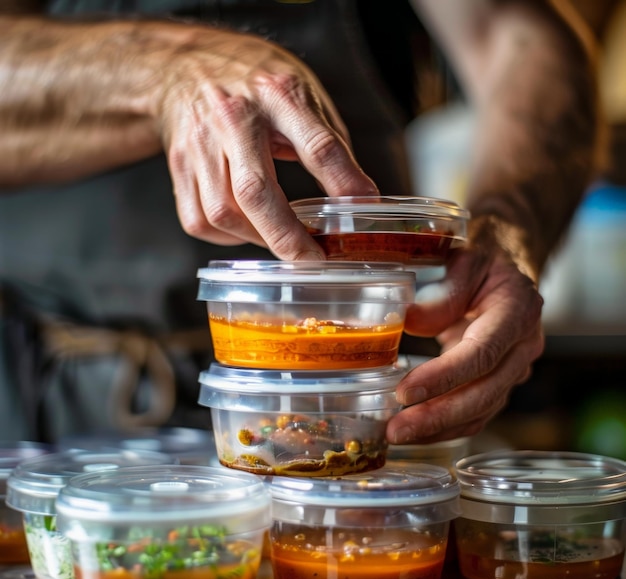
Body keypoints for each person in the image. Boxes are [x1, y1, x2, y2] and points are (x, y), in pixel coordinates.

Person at [0, 0, 605, 445]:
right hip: (47, 398)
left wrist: (507, 236)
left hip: (358, 399)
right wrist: (168, 69)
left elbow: (514, 30)